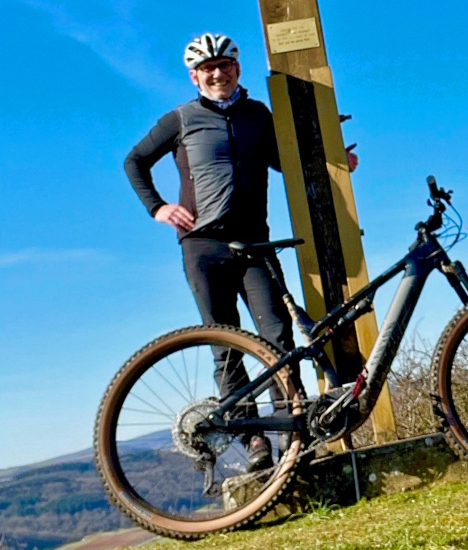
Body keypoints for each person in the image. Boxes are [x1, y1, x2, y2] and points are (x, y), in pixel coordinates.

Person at [124, 33, 355, 469]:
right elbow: (133, 161)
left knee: (279, 338)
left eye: (224, 65)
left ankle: (295, 435)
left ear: (237, 69)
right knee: (225, 344)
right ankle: (254, 444)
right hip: (202, 245)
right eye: (206, 68)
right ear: (194, 76)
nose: (216, 73)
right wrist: (158, 208)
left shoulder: (257, 115)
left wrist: (335, 157)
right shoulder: (180, 119)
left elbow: (284, 160)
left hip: (254, 244)